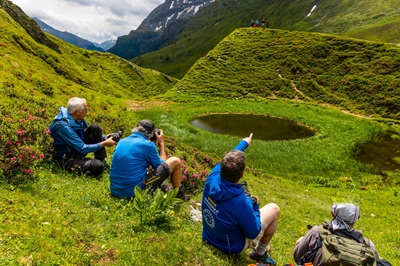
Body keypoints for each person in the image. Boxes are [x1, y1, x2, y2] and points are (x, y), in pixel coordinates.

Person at [201, 133, 280, 265]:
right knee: (274, 209)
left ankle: (260, 250)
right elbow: (253, 231)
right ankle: (259, 253)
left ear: (222, 166)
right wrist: (254, 205)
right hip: (231, 246)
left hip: (208, 236)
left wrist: (244, 143)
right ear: (242, 174)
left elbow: (230, 157)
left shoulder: (213, 175)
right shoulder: (241, 201)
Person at [293, 203, 391, 266]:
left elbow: (298, 257)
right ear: (358, 217)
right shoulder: (367, 244)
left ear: (332, 213)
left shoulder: (317, 232)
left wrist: (300, 241)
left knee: (300, 240)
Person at [109, 119, 184, 199]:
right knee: (176, 161)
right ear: (151, 133)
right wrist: (161, 143)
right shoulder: (147, 145)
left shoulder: (122, 141)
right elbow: (162, 165)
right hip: (133, 193)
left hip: (115, 190)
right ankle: (178, 195)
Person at [49, 97, 116, 176]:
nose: (87, 112)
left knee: (95, 128)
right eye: (85, 110)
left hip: (74, 149)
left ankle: (101, 160)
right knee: (98, 166)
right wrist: (104, 143)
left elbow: (84, 131)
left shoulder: (76, 117)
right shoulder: (64, 127)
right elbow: (82, 148)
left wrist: (104, 138)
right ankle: (99, 165)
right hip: (65, 158)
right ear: (77, 112)